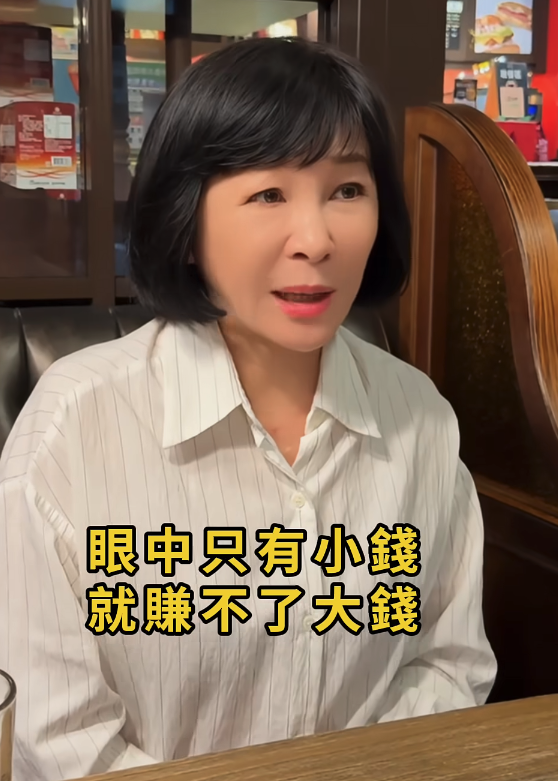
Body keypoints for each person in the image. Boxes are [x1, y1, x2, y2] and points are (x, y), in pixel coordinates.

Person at [0, 36, 496, 781]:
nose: (317, 240)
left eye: (347, 190)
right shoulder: (73, 429)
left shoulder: (420, 415)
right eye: (268, 194)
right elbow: (56, 736)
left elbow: (448, 663)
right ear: (185, 224)